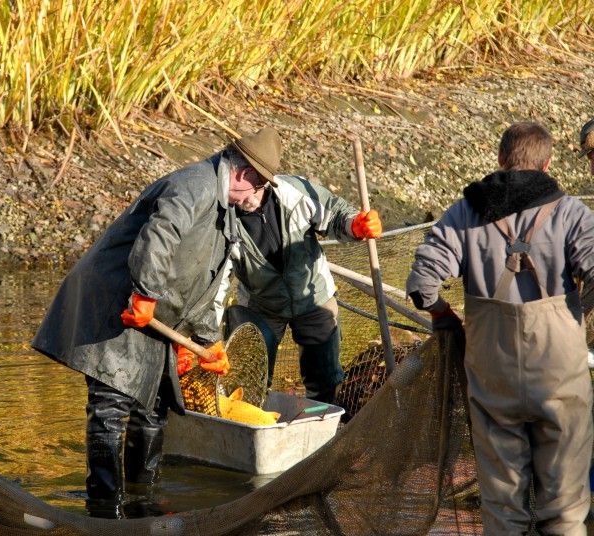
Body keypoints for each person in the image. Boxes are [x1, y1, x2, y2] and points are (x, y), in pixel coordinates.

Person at [32, 128, 291, 518]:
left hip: (156, 317)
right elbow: (160, 234)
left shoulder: (228, 212)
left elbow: (206, 282)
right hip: (119, 302)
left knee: (153, 408)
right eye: (258, 185)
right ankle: (104, 508)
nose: (257, 196)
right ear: (242, 174)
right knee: (111, 406)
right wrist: (146, 293)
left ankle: (142, 500)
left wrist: (207, 341)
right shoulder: (195, 184)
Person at [406, 121, 594, 535]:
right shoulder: (571, 213)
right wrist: (577, 311)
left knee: (502, 508)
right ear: (546, 165)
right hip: (560, 379)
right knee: (565, 507)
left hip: (494, 382)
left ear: (500, 159)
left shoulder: (466, 212)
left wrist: (443, 315)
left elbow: (421, 285)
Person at [218, 140, 382, 404]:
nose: (245, 200)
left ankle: (324, 429)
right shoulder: (224, 216)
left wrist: (356, 226)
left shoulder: (295, 191)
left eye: (254, 190)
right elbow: (217, 281)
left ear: (265, 181)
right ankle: (252, 429)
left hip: (313, 295)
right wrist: (208, 336)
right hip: (261, 304)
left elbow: (336, 213)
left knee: (325, 378)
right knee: (248, 379)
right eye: (240, 191)